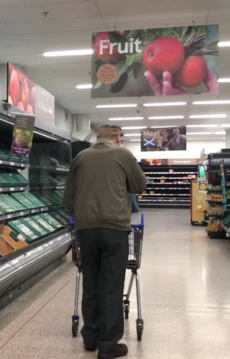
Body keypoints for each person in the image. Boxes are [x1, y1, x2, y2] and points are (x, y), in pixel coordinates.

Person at [63, 125, 146, 359]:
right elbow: (140, 185)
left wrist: (80, 215)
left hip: (86, 230)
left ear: (98, 139)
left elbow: (68, 196)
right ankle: (108, 344)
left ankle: (90, 337)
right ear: (117, 139)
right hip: (114, 229)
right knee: (111, 286)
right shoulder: (123, 154)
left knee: (91, 281)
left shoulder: (81, 157)